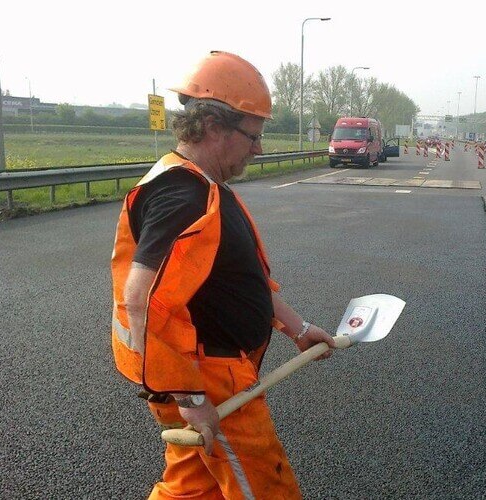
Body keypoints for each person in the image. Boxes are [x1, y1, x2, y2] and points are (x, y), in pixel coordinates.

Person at [110, 50, 335, 499]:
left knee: (191, 489)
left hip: (199, 375)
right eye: (252, 136)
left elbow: (240, 278)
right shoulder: (183, 195)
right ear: (213, 127)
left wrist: (300, 328)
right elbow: (143, 299)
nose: (258, 148)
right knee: (268, 489)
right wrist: (192, 399)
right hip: (206, 377)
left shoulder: (205, 186)